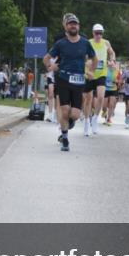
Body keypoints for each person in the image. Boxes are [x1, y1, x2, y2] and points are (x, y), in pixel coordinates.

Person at [43, 14, 95, 152]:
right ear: (66, 27)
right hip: (63, 79)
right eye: (71, 24)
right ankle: (65, 139)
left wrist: (91, 71)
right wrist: (50, 67)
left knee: (76, 114)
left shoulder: (85, 43)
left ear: (78, 26)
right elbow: (46, 58)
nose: (73, 26)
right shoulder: (61, 43)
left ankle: (68, 123)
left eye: (75, 24)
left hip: (78, 80)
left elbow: (94, 58)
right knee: (65, 110)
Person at [83, 23, 116, 136]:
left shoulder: (106, 43)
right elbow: (82, 56)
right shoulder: (88, 43)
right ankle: (87, 121)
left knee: (101, 97)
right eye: (96, 33)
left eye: (100, 33)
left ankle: (95, 119)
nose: (98, 35)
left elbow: (112, 53)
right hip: (90, 74)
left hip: (102, 74)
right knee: (88, 100)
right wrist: (86, 62)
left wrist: (112, 61)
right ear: (93, 33)